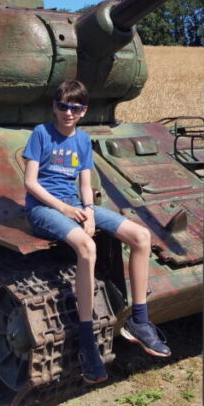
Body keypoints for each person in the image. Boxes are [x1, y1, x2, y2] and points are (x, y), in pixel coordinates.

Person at [23, 79, 171, 384]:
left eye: (74, 108)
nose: (67, 112)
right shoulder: (41, 134)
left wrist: (88, 211)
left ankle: (140, 321)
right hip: (43, 209)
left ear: (83, 111)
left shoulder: (82, 140)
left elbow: (86, 185)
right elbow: (31, 183)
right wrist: (65, 210)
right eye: (62, 106)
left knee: (141, 236)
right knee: (87, 248)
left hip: (76, 205)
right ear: (55, 106)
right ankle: (88, 341)